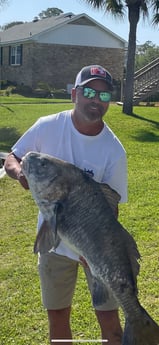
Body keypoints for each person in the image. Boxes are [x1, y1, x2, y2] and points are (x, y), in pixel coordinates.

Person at [5, 64, 127, 345]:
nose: (96, 100)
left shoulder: (113, 150)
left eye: (104, 95)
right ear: (74, 94)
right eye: (89, 91)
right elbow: (13, 156)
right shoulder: (47, 126)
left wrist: (95, 251)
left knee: (110, 320)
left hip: (95, 248)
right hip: (53, 245)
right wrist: (20, 173)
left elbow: (112, 209)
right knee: (58, 315)